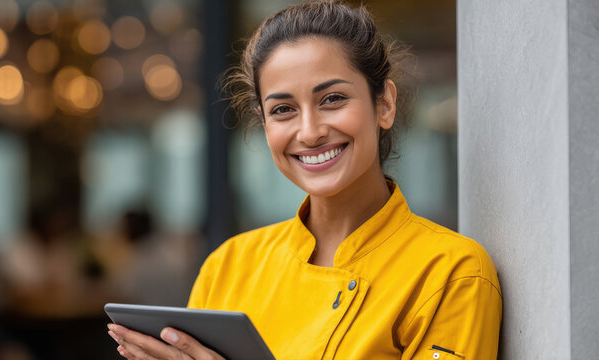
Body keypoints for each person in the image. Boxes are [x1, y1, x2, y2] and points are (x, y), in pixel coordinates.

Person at [107, 1, 502, 359]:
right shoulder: (228, 266)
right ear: (264, 126)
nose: (309, 131)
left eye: (332, 99)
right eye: (283, 109)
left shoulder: (451, 272)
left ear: (384, 104)